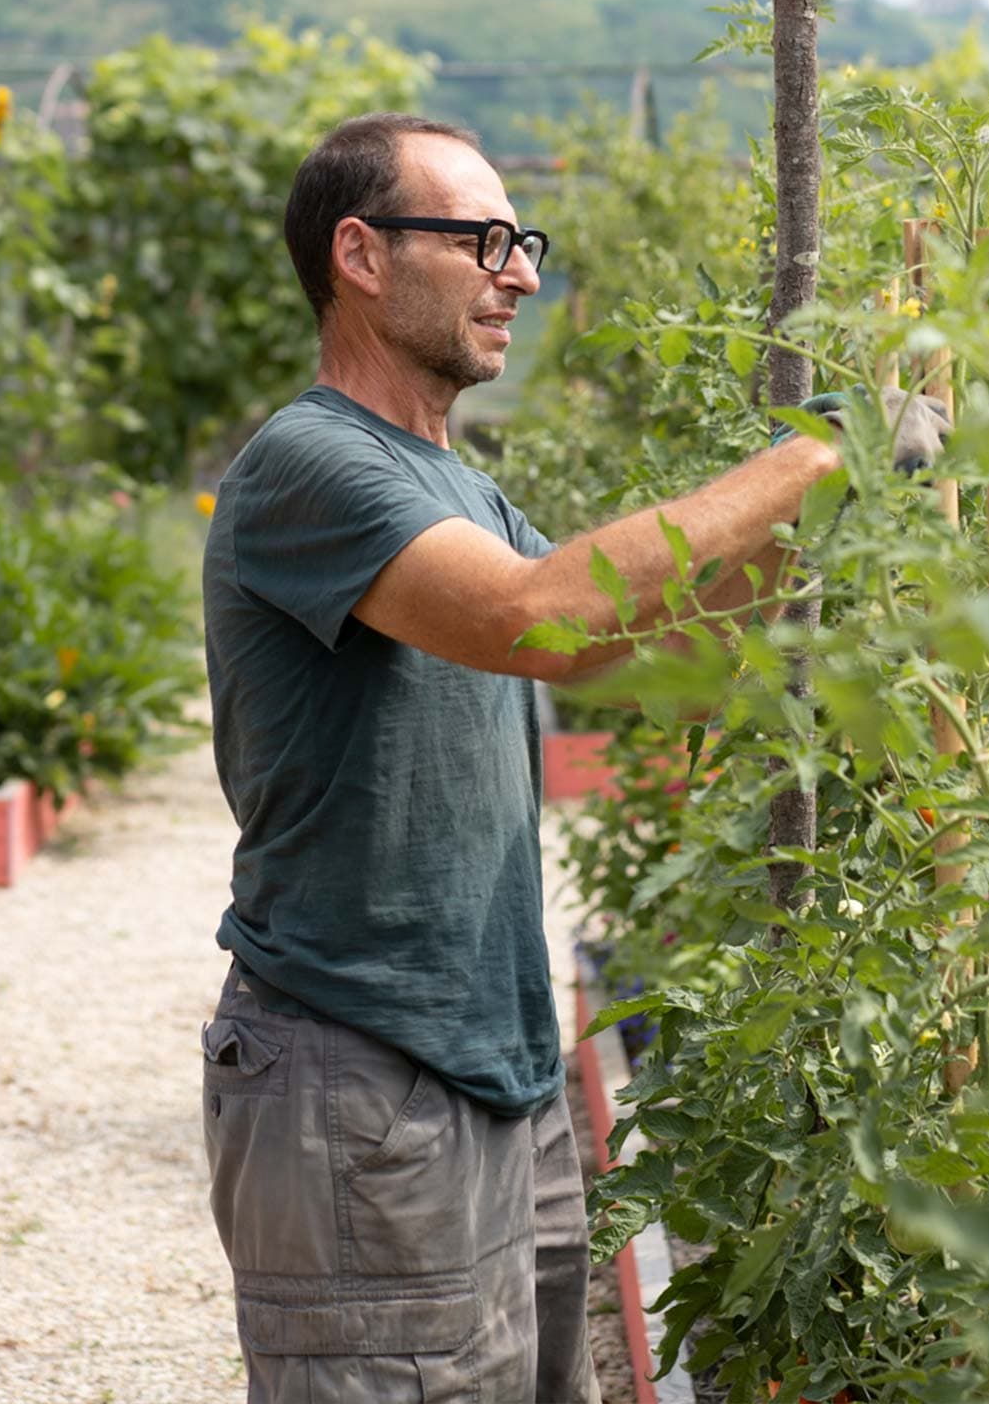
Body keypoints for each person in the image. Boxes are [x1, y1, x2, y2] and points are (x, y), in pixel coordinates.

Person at [199, 111, 947, 1402]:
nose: (523, 276)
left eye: (522, 241)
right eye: (483, 240)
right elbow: (543, 617)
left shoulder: (461, 491)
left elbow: (620, 652)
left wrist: (831, 501)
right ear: (362, 256)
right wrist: (815, 450)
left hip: (498, 1058)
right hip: (363, 1066)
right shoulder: (309, 465)